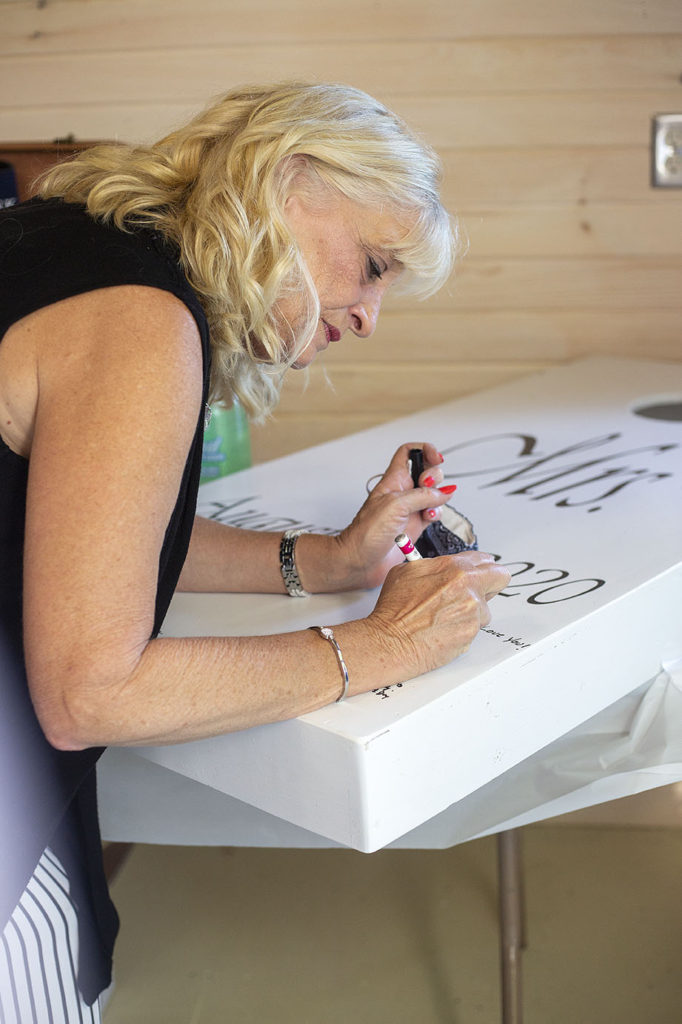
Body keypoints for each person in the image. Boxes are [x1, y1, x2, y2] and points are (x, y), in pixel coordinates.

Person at [0, 82, 511, 1019]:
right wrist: (382, 645)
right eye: (373, 264)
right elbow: (89, 693)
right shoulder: (140, 324)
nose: (369, 314)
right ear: (289, 179)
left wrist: (332, 563)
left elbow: (94, 537)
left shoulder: (76, 240)